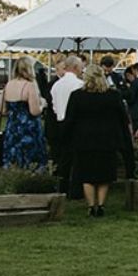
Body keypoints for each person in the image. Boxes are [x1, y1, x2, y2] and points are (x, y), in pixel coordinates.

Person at [64, 62, 133, 217]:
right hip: (107, 140)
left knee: (86, 174)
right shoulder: (113, 95)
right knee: (104, 174)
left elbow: (70, 119)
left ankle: (90, 205)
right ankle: (101, 204)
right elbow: (123, 118)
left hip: (84, 140)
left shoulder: (77, 96)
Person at [0, 58, 48, 169]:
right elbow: (34, 111)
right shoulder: (29, 86)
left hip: (12, 127)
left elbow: (2, 110)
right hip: (28, 128)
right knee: (30, 159)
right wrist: (42, 105)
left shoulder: (8, 85)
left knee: (12, 157)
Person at [47, 56, 85, 198]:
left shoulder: (57, 85)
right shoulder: (80, 84)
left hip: (60, 123)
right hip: (76, 124)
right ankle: (75, 189)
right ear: (75, 67)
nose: (82, 70)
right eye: (81, 67)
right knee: (77, 158)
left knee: (63, 158)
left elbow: (55, 107)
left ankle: (62, 187)